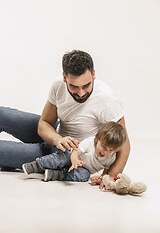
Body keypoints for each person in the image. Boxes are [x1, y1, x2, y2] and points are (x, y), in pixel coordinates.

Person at [0, 50, 130, 188]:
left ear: (93, 75)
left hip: (68, 156)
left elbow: (124, 145)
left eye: (86, 85)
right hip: (56, 137)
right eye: (74, 86)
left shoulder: (107, 99)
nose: (81, 93)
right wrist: (58, 139)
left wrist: (108, 177)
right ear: (64, 77)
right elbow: (44, 123)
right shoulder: (58, 86)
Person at [22, 121, 127, 183]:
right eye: (104, 147)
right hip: (71, 157)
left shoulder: (111, 158)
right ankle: (37, 165)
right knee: (61, 158)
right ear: (97, 140)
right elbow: (76, 151)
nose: (106, 152)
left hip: (82, 168)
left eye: (111, 150)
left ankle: (57, 175)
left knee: (84, 176)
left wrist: (101, 178)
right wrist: (75, 160)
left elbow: (106, 170)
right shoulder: (90, 143)